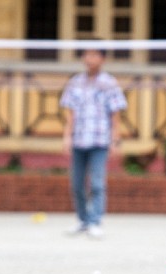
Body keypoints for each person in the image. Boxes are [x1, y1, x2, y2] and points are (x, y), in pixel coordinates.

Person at [60, 47, 127, 238]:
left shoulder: (109, 83)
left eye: (94, 55)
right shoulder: (75, 82)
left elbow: (116, 115)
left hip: (99, 140)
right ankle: (83, 220)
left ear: (103, 58)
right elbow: (70, 113)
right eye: (87, 55)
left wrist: (115, 140)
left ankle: (95, 221)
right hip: (79, 139)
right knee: (77, 184)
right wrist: (67, 136)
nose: (90, 59)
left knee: (97, 183)